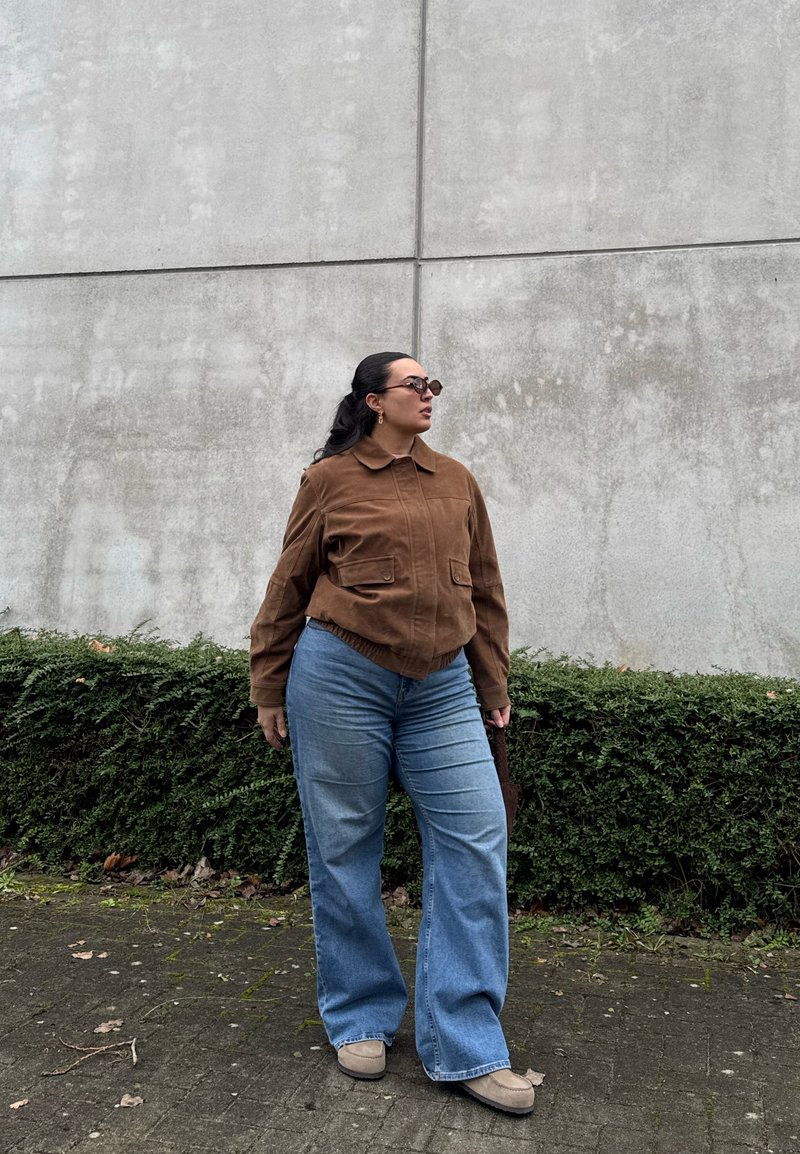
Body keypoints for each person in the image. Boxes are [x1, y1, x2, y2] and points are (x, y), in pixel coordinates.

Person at [249, 351, 535, 1115]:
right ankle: (360, 1014)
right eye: (416, 384)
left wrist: (492, 684)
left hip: (442, 687)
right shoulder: (329, 480)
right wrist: (268, 683)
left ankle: (467, 1044)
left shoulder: (457, 480)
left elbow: (485, 587)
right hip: (339, 677)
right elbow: (288, 585)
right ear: (375, 400)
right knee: (344, 845)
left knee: (477, 839)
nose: (429, 394)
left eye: (432, 384)